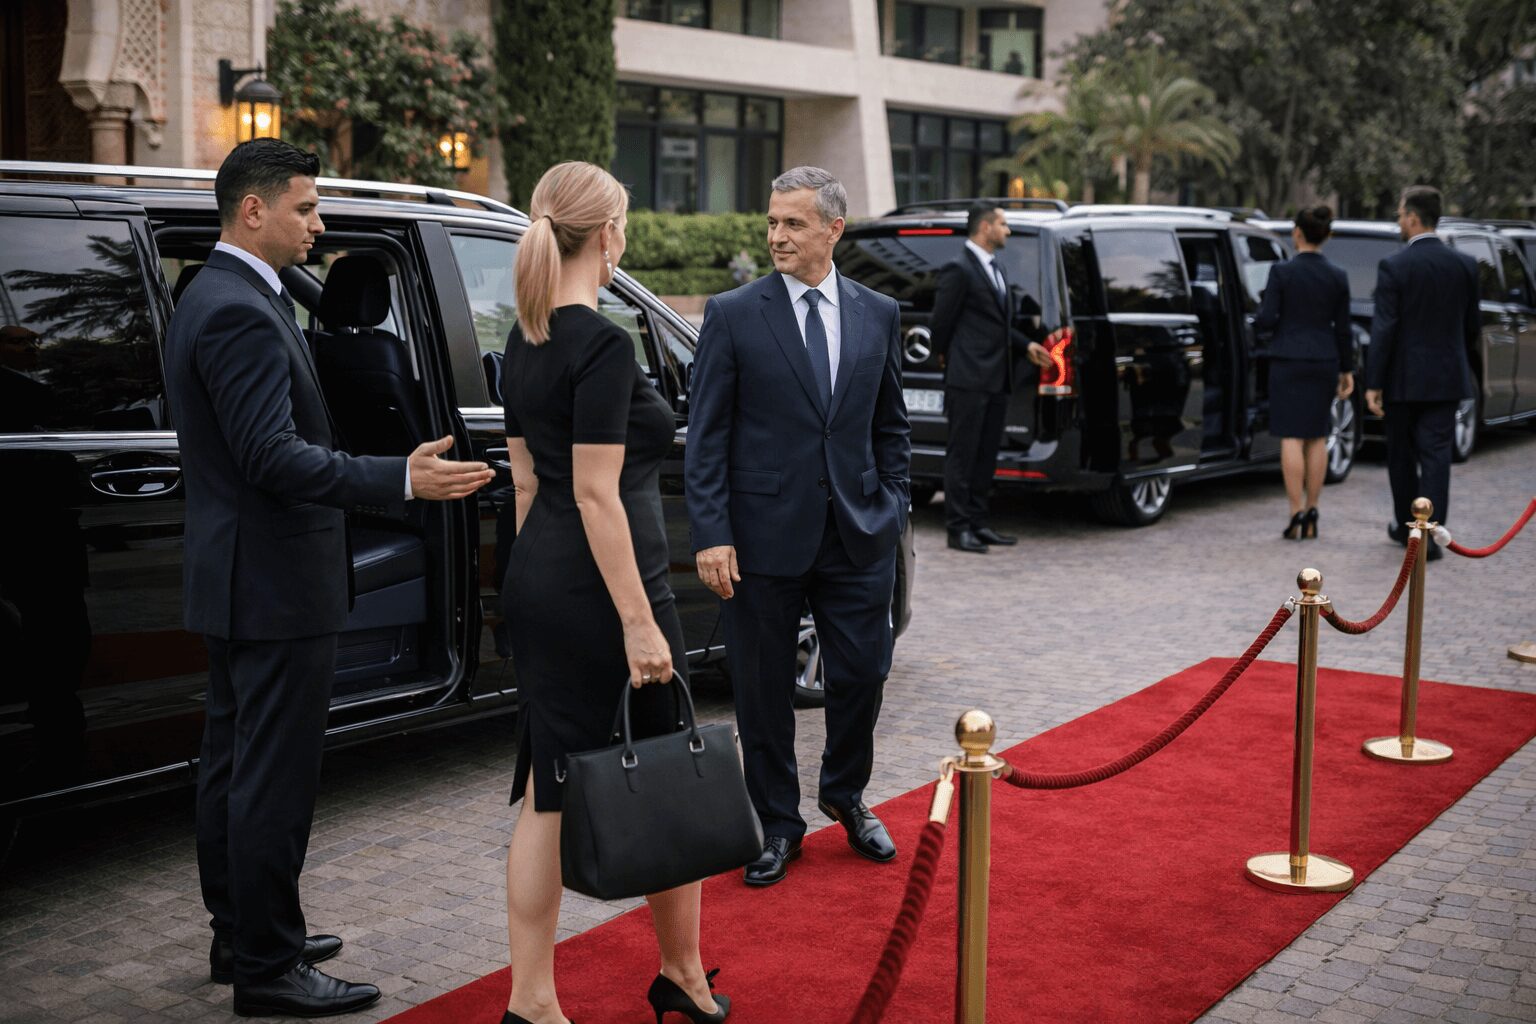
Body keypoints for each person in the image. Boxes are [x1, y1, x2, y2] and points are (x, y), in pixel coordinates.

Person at [163, 138, 494, 1018]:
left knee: (233, 766)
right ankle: (268, 968)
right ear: (254, 210)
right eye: (306, 208)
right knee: (270, 779)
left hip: (241, 578)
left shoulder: (214, 293)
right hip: (273, 583)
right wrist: (399, 478)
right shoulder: (237, 310)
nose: (319, 225)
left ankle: (243, 934)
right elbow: (272, 457)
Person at [499, 161, 729, 1024]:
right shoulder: (600, 343)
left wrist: (532, 593)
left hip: (544, 579)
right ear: (608, 235)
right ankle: (682, 974)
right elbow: (596, 496)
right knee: (670, 769)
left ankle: (533, 1002)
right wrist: (637, 621)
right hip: (609, 589)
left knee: (547, 789)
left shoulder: (523, 340)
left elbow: (528, 488)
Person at [685, 166, 911, 888]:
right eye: (772, 222)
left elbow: (890, 425)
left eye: (793, 224)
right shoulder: (733, 313)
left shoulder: (878, 311)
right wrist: (712, 532)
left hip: (858, 532)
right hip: (760, 538)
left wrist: (894, 503)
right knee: (761, 691)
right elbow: (706, 437)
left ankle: (845, 793)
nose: (777, 236)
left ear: (833, 230)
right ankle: (778, 823)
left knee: (864, 673)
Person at [1364, 185, 1480, 563]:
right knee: (1436, 456)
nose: (1398, 221)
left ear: (1413, 218)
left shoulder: (1394, 266)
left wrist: (1374, 382)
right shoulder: (1464, 265)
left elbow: (1384, 329)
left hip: (1403, 379)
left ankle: (1408, 528)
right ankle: (1430, 533)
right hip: (1446, 376)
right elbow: (1471, 326)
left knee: (1401, 456)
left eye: (1400, 214)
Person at [927, 204, 1050, 552]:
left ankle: (979, 523)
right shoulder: (959, 268)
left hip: (997, 378)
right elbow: (941, 323)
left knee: (985, 455)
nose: (1007, 230)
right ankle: (958, 529)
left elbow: (996, 324)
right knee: (962, 456)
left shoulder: (996, 267)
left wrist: (1026, 346)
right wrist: (945, 357)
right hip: (968, 378)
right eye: (1003, 224)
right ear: (985, 227)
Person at [1253, 205, 1354, 540]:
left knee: (1291, 436)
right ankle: (1313, 508)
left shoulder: (1281, 272)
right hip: (1324, 359)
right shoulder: (1338, 275)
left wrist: (1259, 320)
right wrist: (1347, 369)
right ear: (1327, 235)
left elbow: (1267, 318)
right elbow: (1343, 329)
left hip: (1288, 359)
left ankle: (1295, 511)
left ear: (1297, 232)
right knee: (1317, 435)